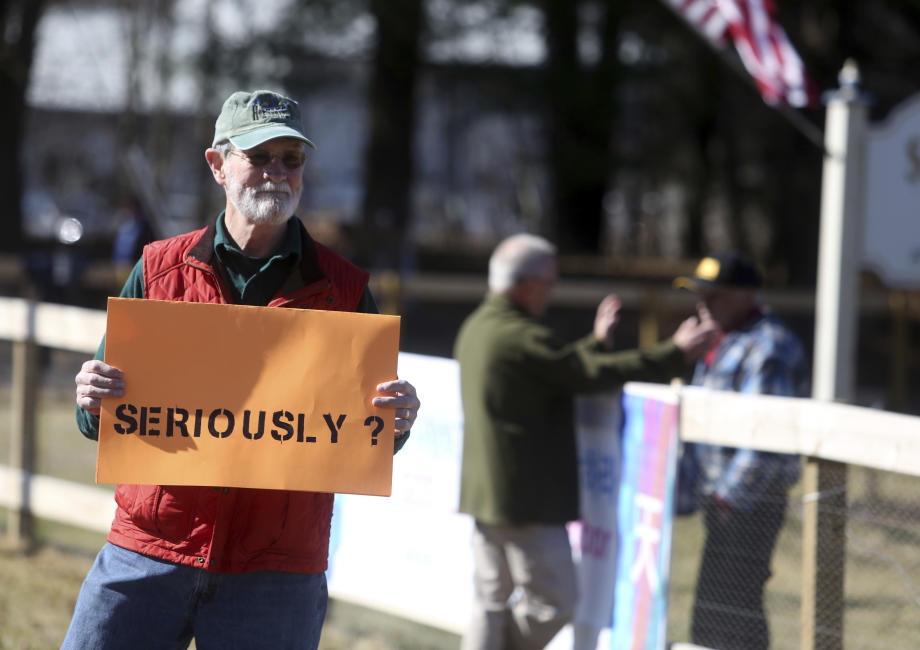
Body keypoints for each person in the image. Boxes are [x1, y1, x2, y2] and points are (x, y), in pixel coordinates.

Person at [63, 90, 421, 650]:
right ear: (218, 165)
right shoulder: (158, 270)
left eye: (292, 160)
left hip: (275, 574)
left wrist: (397, 421)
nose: (276, 173)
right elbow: (100, 419)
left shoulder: (347, 289)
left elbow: (365, 438)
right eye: (259, 157)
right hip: (149, 549)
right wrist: (91, 398)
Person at [454, 233, 718, 650]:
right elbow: (581, 372)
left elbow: (555, 367)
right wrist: (674, 352)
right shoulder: (521, 336)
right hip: (526, 501)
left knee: (490, 601)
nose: (551, 291)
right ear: (527, 283)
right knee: (556, 602)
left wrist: (595, 344)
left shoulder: (479, 327)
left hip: (486, 495)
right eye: (550, 282)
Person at [674, 251, 808, 650]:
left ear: (746, 295)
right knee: (716, 609)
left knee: (734, 608)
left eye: (714, 295)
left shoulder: (768, 348)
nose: (703, 304)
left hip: (748, 501)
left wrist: (728, 497)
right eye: (701, 294)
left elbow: (765, 439)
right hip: (724, 499)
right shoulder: (722, 340)